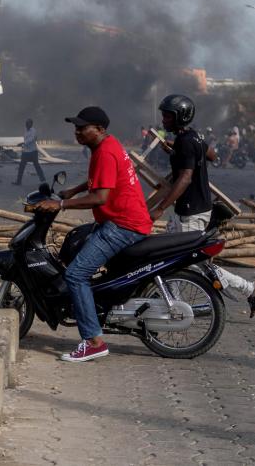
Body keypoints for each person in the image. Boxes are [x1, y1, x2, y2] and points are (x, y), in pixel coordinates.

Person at [35, 106, 151, 362]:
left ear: (99, 129)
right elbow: (100, 182)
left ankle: (94, 341)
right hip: (123, 220)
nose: (77, 131)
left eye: (82, 127)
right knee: (75, 243)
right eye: (75, 127)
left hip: (122, 225)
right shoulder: (106, 147)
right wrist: (73, 190)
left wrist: (61, 205)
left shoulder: (105, 153)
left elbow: (100, 197)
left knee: (75, 275)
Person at [148, 95, 255, 318]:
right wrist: (177, 151)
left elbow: (185, 178)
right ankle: (172, 302)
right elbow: (211, 154)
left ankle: (247, 289)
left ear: (180, 116)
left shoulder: (186, 141)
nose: (163, 120)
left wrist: (161, 207)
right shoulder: (193, 136)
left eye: (167, 116)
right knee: (175, 260)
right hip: (194, 207)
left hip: (190, 211)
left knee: (186, 263)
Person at [12, 118, 46, 185]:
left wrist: (23, 143)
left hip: (33, 152)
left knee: (37, 166)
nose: (27, 124)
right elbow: (26, 139)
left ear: (31, 124)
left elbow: (31, 139)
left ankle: (43, 180)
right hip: (25, 152)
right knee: (21, 167)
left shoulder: (33, 131)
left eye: (28, 123)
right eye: (26, 123)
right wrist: (23, 144)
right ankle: (18, 181)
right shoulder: (25, 130)